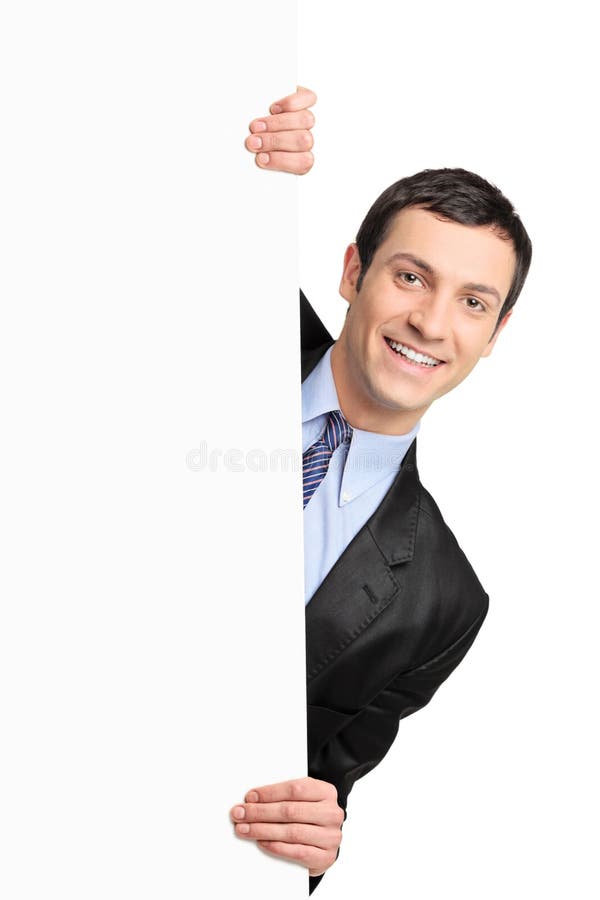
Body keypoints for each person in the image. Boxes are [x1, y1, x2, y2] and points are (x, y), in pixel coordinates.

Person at [230, 87, 532, 894]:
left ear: (493, 335)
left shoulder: (443, 604)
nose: (433, 323)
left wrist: (318, 844)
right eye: (410, 276)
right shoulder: (222, 310)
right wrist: (233, 156)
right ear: (353, 270)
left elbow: (322, 795)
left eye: (473, 302)